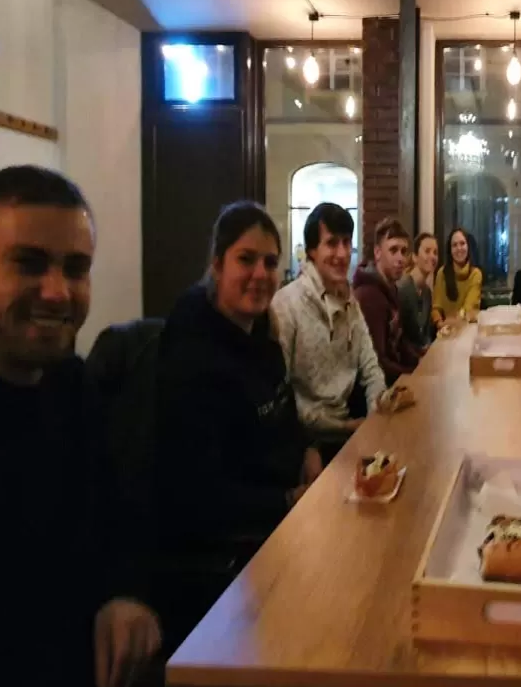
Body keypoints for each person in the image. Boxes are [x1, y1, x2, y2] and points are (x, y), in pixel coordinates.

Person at [0, 166, 199, 687]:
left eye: (76, 269)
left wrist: (126, 594)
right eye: (29, 263)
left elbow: (122, 520)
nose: (58, 291)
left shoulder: (72, 389)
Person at [154, 202, 321, 634]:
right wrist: (288, 502)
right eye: (245, 259)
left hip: (289, 520)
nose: (260, 274)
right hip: (237, 561)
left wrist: (309, 450)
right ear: (216, 264)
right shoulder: (192, 353)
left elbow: (285, 413)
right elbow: (198, 495)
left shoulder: (261, 334)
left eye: (269, 262)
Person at [271, 202, 385, 455]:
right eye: (332, 243)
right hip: (303, 445)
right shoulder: (286, 304)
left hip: (350, 432)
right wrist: (343, 428)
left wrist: (377, 417)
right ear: (311, 250)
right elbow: (281, 397)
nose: (342, 254)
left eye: (346, 242)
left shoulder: (349, 301)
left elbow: (371, 368)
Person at [354, 217, 420, 384]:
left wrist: (422, 361)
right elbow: (378, 362)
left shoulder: (391, 288)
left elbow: (399, 342)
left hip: (396, 381)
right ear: (377, 253)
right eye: (393, 250)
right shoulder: (368, 296)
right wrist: (414, 375)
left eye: (404, 251)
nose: (401, 259)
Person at [433, 227, 483, 324]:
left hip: (467, 328)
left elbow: (468, 308)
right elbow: (436, 307)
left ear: (468, 246)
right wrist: (440, 323)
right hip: (445, 330)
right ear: (450, 250)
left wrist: (453, 321)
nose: (459, 248)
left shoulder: (475, 274)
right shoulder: (442, 273)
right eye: (454, 245)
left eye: (462, 243)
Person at [398, 231, 438, 350]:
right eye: (427, 251)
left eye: (435, 252)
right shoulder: (402, 289)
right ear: (415, 257)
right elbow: (400, 338)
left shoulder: (427, 293)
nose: (432, 256)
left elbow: (425, 335)